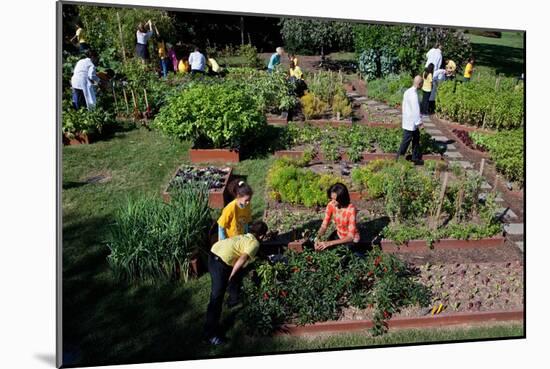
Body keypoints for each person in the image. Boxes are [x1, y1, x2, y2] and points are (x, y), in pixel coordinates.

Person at [204, 221, 268, 345]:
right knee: (216, 297)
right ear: (262, 236)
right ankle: (210, 334)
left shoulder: (246, 236)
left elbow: (245, 253)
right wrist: (231, 276)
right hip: (219, 262)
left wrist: (264, 257)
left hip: (214, 252)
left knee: (237, 274)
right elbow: (243, 258)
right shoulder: (254, 243)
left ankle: (233, 300)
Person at [314, 183, 362, 256]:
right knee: (325, 250)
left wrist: (329, 243)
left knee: (343, 256)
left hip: (350, 239)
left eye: (335, 200)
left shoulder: (351, 210)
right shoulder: (331, 205)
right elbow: (324, 226)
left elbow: (350, 237)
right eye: (331, 198)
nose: (332, 202)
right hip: (339, 234)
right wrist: (317, 238)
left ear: (342, 199)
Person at [397, 76, 425, 165]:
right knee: (406, 141)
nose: (422, 85)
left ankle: (415, 158)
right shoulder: (414, 95)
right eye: (422, 83)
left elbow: (404, 106)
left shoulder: (407, 91)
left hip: (408, 119)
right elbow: (415, 110)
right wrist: (419, 123)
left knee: (416, 138)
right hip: (411, 122)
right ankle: (399, 158)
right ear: (419, 84)